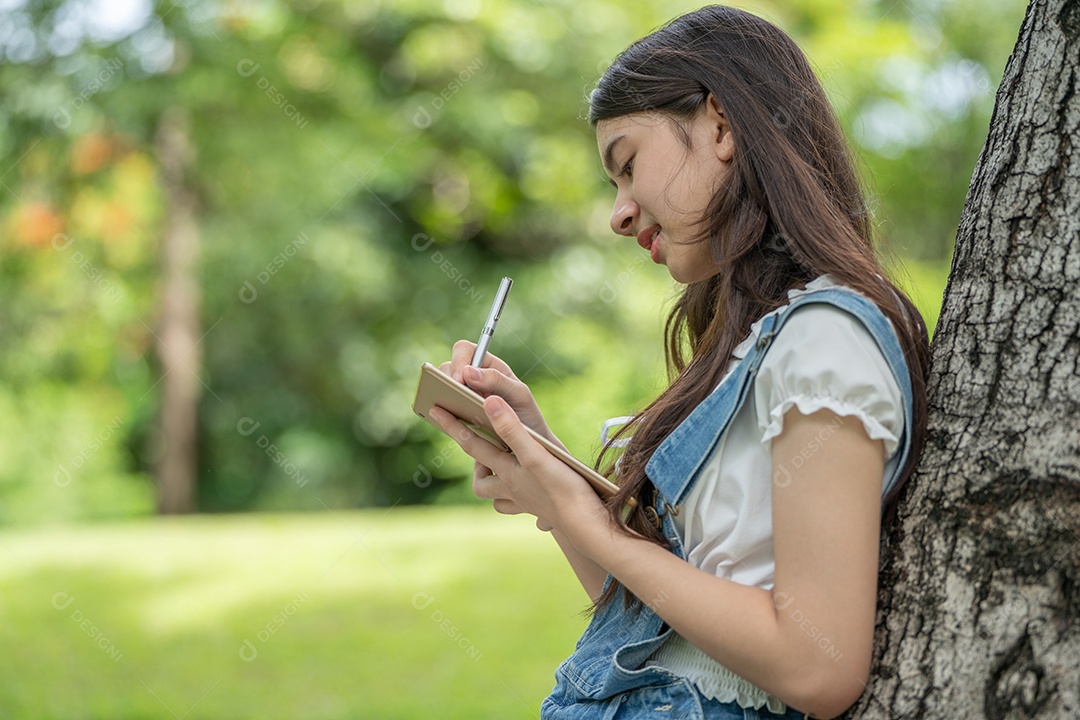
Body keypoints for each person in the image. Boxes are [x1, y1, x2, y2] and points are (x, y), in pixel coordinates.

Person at [428, 5, 929, 719]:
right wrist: (544, 466)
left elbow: (819, 668)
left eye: (627, 166)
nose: (619, 214)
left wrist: (594, 522)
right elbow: (658, 622)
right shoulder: (752, 343)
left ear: (721, 126)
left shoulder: (825, 341)